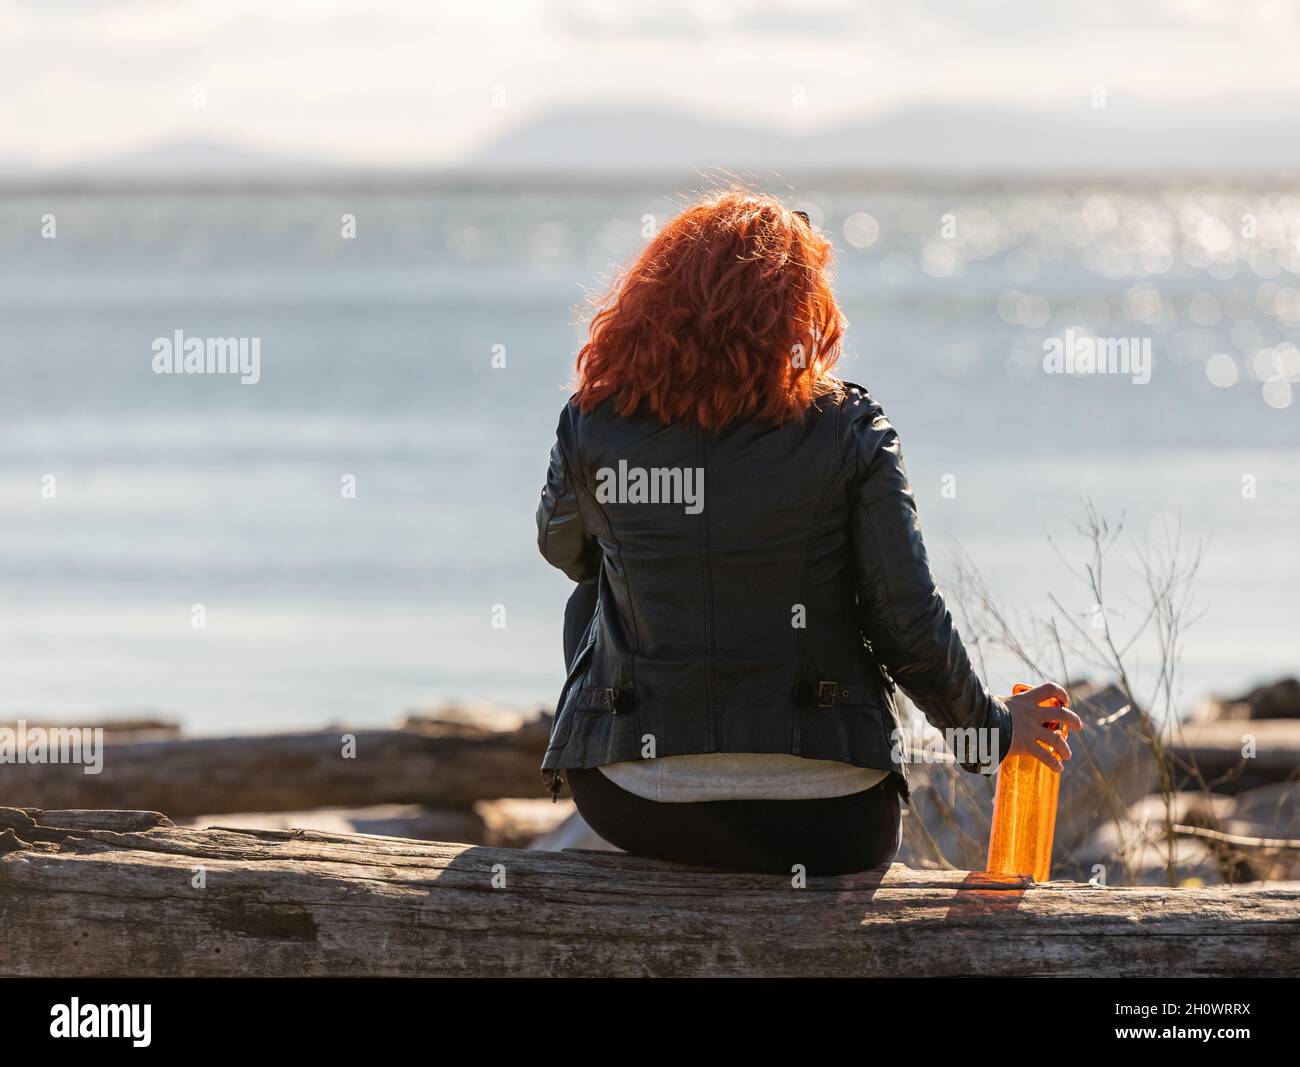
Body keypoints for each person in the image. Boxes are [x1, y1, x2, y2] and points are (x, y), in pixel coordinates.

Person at [535, 188, 1082, 876]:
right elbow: (904, 621)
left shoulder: (593, 421)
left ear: (655, 299)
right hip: (830, 815)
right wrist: (991, 731)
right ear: (798, 310)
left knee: (594, 593)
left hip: (636, 800)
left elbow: (563, 549)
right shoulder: (850, 429)